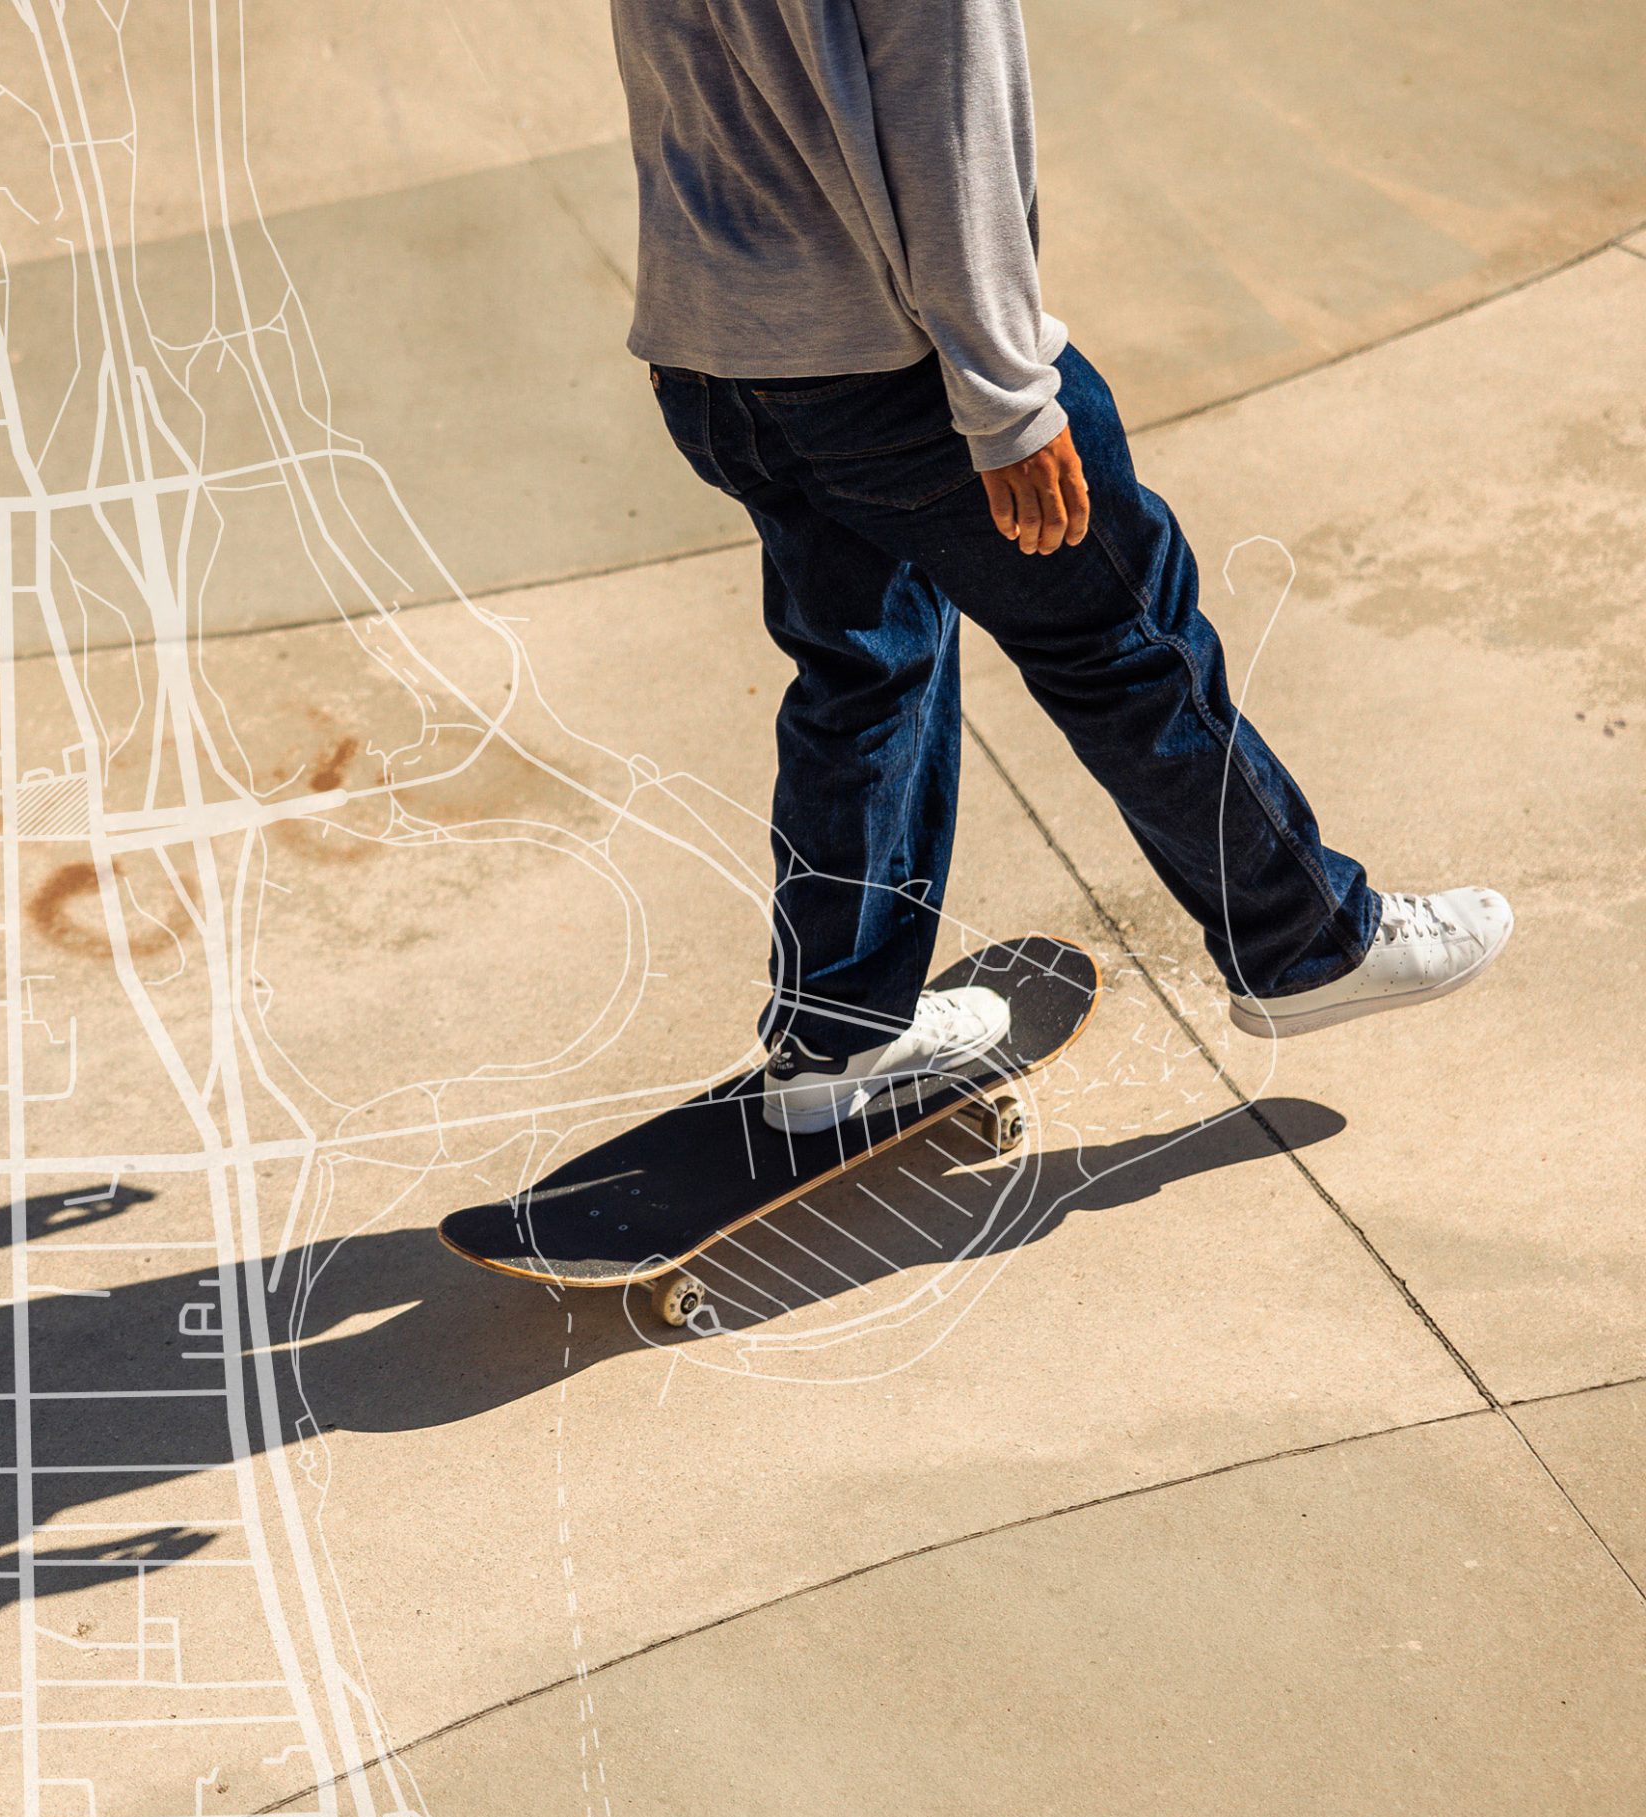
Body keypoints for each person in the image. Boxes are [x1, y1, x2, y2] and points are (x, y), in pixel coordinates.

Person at [610, 0, 1512, 1133]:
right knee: (1122, 642)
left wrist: (690, 314)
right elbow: (946, 115)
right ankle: (1303, 941)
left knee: (862, 670)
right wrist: (1005, 402)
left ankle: (833, 1040)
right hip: (893, 374)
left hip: (718, 352)